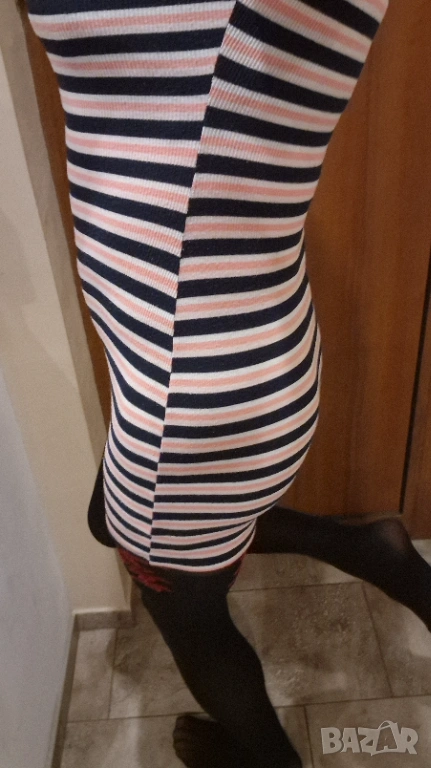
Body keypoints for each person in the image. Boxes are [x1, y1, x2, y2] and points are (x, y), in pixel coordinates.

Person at [22, 0, 431, 765]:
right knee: (114, 521)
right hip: (243, 350)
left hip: (192, 395)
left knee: (185, 611)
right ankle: (371, 550)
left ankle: (265, 758)